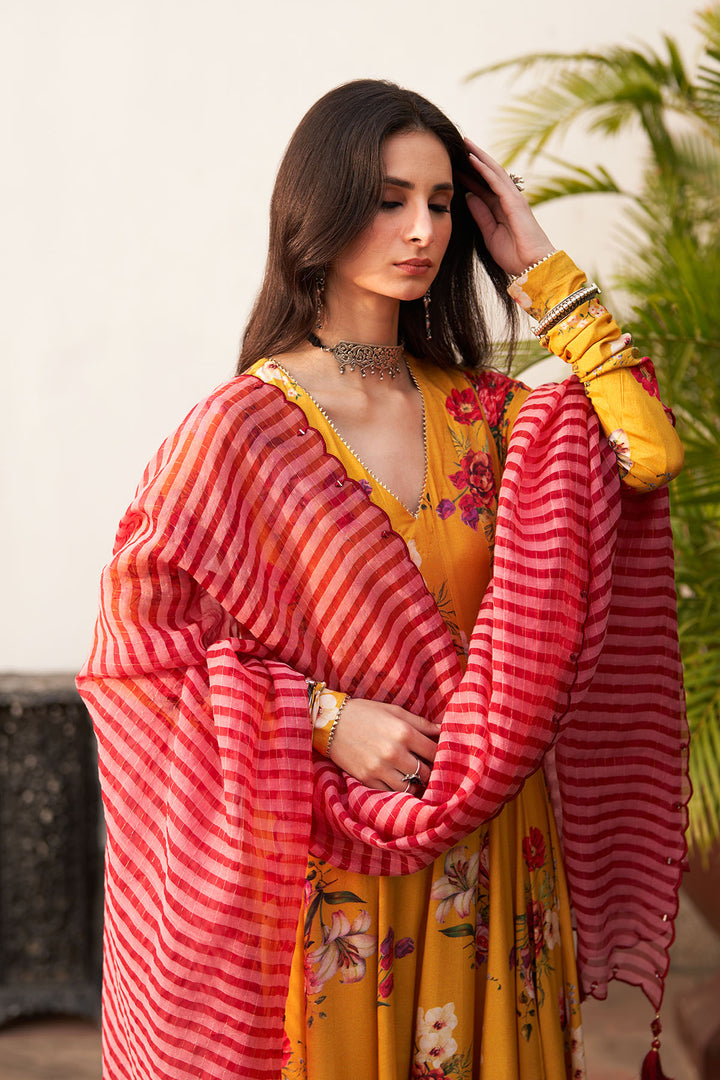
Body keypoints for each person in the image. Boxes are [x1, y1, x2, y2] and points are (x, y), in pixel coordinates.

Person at [77, 79, 687, 1080]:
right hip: (343, 880)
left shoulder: (497, 415)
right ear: (319, 209)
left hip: (500, 853)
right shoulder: (242, 433)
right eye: (389, 199)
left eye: (441, 204)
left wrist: (541, 269)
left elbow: (649, 453)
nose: (422, 231)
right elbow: (137, 663)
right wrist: (323, 718)